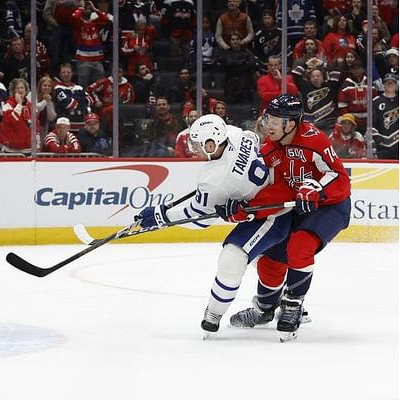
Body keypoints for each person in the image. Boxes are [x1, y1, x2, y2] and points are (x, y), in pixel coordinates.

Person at [132, 114, 294, 336]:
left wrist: (161, 216)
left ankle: (214, 314)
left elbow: (200, 218)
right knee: (265, 261)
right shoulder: (236, 134)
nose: (195, 150)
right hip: (271, 200)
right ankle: (285, 299)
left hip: (273, 213)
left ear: (212, 143)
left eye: (198, 144)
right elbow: (254, 142)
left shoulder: (213, 179)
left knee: (233, 257)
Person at [229, 94, 351, 342]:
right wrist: (245, 206)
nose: (268, 124)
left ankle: (293, 304)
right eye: (268, 118)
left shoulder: (313, 139)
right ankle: (264, 309)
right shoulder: (271, 146)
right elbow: (269, 188)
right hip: (297, 206)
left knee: (300, 245)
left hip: (329, 206)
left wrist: (316, 188)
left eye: (274, 120)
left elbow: (339, 178)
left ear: (291, 123)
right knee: (270, 260)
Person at [71, 1, 112, 89]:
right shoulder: (79, 24)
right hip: (83, 59)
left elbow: (105, 19)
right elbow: (74, 17)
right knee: (83, 86)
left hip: (97, 59)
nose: (87, 9)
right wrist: (81, 7)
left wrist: (94, 9)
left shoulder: (95, 23)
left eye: (89, 9)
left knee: (99, 85)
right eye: (86, 9)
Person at [291, 65, 340, 133]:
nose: (315, 78)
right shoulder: (305, 87)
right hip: (311, 124)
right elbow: (295, 73)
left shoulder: (329, 86)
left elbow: (336, 73)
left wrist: (323, 64)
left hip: (328, 123)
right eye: (313, 76)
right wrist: (307, 63)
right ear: (310, 79)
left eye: (318, 76)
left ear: (323, 78)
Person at [337, 60, 378, 131]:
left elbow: (375, 102)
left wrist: (372, 118)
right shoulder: (345, 86)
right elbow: (342, 106)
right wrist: (350, 118)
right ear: (351, 70)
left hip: (369, 120)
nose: (356, 70)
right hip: (352, 120)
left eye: (358, 68)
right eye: (354, 68)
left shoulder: (370, 83)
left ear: (363, 69)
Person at [53, 62, 93, 133]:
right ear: (60, 74)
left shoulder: (79, 87)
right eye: (63, 72)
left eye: (68, 72)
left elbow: (90, 100)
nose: (66, 74)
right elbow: (70, 104)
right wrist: (81, 99)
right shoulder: (57, 88)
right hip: (65, 126)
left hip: (81, 124)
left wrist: (72, 97)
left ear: (72, 73)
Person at [0, 78, 36, 152]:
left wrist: (36, 142)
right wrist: (19, 104)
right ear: (13, 90)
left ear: (26, 90)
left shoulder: (30, 105)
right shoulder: (8, 104)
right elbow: (11, 120)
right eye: (17, 88)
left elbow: (35, 124)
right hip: (11, 148)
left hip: (27, 148)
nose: (20, 90)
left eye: (22, 88)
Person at [371, 73, 399, 160]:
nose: (390, 85)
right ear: (383, 85)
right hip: (383, 145)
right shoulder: (376, 101)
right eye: (388, 83)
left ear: (396, 84)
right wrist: (378, 139)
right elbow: (371, 124)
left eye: (392, 83)